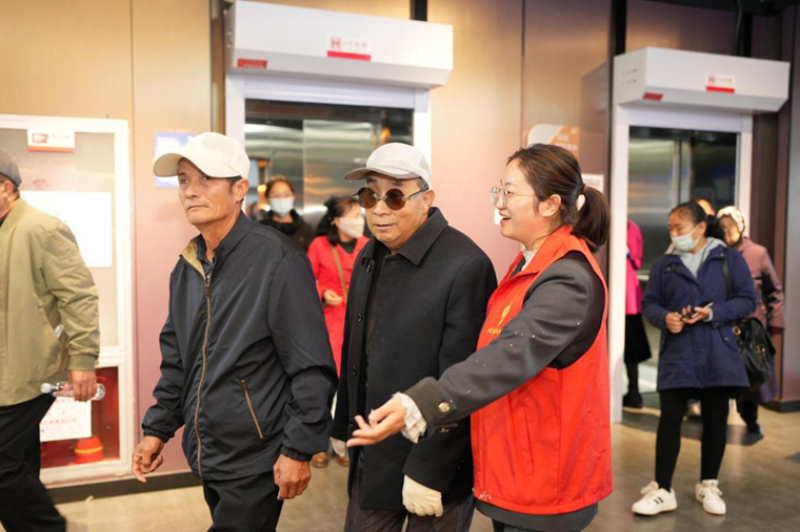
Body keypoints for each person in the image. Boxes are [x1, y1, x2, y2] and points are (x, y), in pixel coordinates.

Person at [347, 144, 613, 532]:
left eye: (510, 192)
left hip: (547, 483)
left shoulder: (567, 278)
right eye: (499, 191)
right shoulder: (530, 265)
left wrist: (420, 402)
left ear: (550, 205)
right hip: (516, 474)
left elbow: (508, 355)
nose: (499, 203)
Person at [133, 133, 337, 532]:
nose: (190, 190)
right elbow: (178, 360)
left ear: (240, 188)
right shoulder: (188, 266)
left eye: (205, 179)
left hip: (257, 454)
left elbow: (311, 366)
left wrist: (298, 448)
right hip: (209, 449)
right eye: (183, 180)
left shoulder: (277, 259)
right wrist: (158, 428)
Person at [331, 143, 497, 531]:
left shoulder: (465, 264)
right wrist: (342, 424)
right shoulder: (369, 255)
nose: (379, 209)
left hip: (435, 463)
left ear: (427, 199)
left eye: (394, 196)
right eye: (369, 196)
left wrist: (431, 470)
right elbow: (355, 352)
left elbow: (464, 381)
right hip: (374, 450)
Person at [632, 201, 756, 517]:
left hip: (718, 351)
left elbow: (747, 300)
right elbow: (650, 304)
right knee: (669, 418)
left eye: (680, 228)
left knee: (715, 420)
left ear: (700, 228)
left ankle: (708, 484)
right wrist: (666, 318)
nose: (674, 234)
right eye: (670, 228)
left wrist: (712, 312)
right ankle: (662, 489)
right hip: (678, 352)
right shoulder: (665, 264)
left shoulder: (728, 258)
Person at [0, 150, 100, 531]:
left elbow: (79, 297)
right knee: (19, 466)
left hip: (29, 374)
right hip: (4, 377)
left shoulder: (42, 229)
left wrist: (83, 360)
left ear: (5, 187)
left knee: (4, 467)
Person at [306, 196, 368, 468]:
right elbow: (306, 280)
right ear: (335, 220)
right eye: (351, 215)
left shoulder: (368, 244)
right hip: (329, 324)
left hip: (360, 323)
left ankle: (346, 442)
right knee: (325, 387)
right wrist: (322, 292)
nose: (357, 220)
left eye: (358, 214)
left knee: (353, 386)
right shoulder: (319, 245)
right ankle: (317, 445)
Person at [718, 205, 784, 435]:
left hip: (752, 325)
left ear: (741, 227)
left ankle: (751, 418)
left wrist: (775, 321)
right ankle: (717, 422)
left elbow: (774, 290)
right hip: (723, 324)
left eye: (731, 228)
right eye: (723, 228)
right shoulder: (716, 252)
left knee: (751, 375)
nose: (727, 233)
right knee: (722, 377)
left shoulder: (758, 253)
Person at [623, 219, 652, 408]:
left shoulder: (631, 227)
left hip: (626, 296)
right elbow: (637, 261)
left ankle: (633, 392)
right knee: (631, 349)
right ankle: (634, 391)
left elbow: (636, 260)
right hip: (629, 296)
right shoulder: (632, 227)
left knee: (630, 348)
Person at [259, 177, 314, 252]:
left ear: (293, 197)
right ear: (267, 199)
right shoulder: (260, 230)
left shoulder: (306, 230)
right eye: (275, 195)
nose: (281, 199)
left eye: (287, 195)